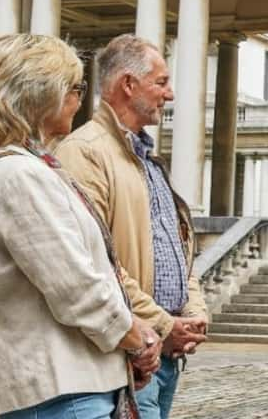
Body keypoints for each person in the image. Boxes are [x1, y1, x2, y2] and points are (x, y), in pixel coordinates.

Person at [0, 34, 161, 419]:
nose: (80, 100)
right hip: (60, 389)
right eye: (75, 88)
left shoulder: (36, 167)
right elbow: (75, 286)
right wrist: (136, 337)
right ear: (42, 95)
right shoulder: (18, 175)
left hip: (78, 383)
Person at [56, 34, 209, 419]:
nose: (170, 94)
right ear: (128, 84)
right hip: (128, 356)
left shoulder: (146, 157)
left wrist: (194, 309)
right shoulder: (85, 152)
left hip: (163, 353)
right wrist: (163, 323)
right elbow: (98, 263)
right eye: (161, 82)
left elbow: (179, 246)